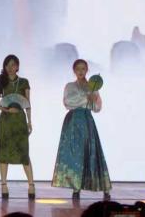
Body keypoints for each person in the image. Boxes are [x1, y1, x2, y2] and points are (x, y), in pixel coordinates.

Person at [52, 59, 111, 200]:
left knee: (91, 152)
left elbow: (97, 108)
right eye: (78, 68)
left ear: (87, 70)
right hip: (73, 121)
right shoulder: (70, 86)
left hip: (87, 120)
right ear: (74, 70)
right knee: (75, 153)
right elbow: (68, 102)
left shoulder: (93, 87)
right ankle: (76, 187)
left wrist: (93, 98)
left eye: (83, 68)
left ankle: (104, 188)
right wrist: (86, 97)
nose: (80, 71)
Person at [0, 54, 35, 199]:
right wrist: (5, 109)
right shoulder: (1, 81)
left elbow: (28, 103)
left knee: (24, 152)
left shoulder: (24, 82)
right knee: (3, 152)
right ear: (4, 67)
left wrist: (29, 121)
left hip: (20, 120)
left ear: (17, 66)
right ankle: (3, 185)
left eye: (13, 64)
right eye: (8, 65)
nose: (10, 67)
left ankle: (31, 185)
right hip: (5, 120)